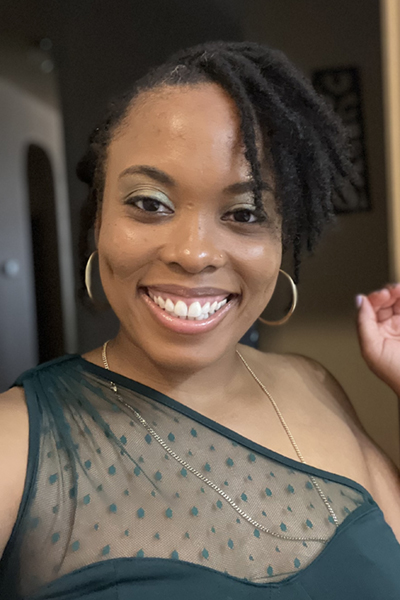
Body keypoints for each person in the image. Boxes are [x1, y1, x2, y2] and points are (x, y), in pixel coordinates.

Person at [0, 40, 399, 599]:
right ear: (98, 222)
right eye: (150, 203)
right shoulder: (18, 444)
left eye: (244, 213)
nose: (193, 253)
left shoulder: (316, 386)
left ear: (282, 242)